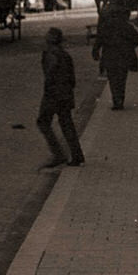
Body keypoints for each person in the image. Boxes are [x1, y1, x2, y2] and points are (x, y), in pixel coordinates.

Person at [37, 27, 85, 169]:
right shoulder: (65, 55)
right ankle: (77, 154)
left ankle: (58, 154)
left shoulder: (50, 54)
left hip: (53, 94)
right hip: (66, 93)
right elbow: (72, 78)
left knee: (43, 122)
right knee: (66, 123)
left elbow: (50, 75)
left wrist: (48, 93)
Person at [94, 2, 138, 110]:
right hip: (124, 56)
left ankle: (116, 100)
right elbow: (137, 39)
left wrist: (96, 52)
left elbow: (98, 41)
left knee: (112, 79)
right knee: (121, 79)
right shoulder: (126, 26)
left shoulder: (105, 26)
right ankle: (120, 100)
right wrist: (129, 47)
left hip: (109, 56)